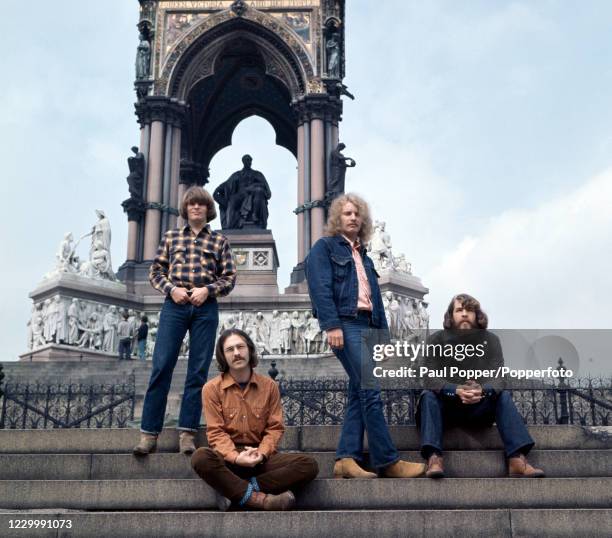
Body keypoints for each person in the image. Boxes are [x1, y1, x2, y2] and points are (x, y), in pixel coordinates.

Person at [305, 193, 426, 479]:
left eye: (357, 214)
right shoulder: (325, 248)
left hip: (367, 325)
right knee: (370, 390)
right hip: (345, 324)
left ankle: (346, 459)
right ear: (338, 218)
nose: (353, 218)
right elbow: (320, 287)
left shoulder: (364, 256)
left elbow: (376, 300)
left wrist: (383, 339)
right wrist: (331, 324)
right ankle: (387, 460)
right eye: (347, 213)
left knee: (358, 395)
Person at [133, 186, 237, 456]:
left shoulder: (219, 241)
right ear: (185, 208)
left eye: (201, 204)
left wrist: (208, 290)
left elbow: (229, 277)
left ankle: (187, 433)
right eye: (191, 204)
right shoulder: (170, 238)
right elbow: (155, 271)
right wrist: (172, 289)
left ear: (208, 209)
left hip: (205, 307)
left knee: (198, 372)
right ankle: (148, 434)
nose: (196, 208)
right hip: (175, 305)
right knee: (162, 366)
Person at [416, 293, 545, 479]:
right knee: (428, 395)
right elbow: (428, 376)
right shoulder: (436, 339)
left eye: (469, 310)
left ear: (477, 315)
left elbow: (499, 377)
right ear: (451, 316)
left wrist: (483, 390)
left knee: (503, 396)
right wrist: (455, 390)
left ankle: (517, 459)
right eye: (459, 310)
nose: (465, 314)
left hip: (479, 408)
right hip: (445, 411)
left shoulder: (491, 340)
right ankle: (434, 458)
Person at [191, 329, 318, 511]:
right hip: (228, 460)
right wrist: (236, 457)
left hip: (259, 458)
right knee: (200, 457)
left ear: (250, 350)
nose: (236, 353)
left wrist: (262, 453)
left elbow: (275, 428)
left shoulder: (269, 386)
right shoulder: (211, 389)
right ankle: (261, 500)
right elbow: (216, 432)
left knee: (308, 465)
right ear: (223, 357)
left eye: (240, 347)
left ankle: (236, 490)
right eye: (230, 349)